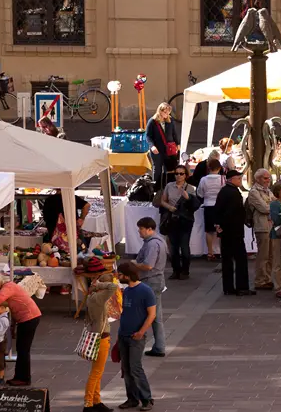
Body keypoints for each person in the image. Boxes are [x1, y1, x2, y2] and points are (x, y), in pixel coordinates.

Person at [0, 271, 41, 386]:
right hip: (27, 318)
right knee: (22, 348)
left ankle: (23, 378)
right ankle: (21, 377)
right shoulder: (8, 286)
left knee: (23, 349)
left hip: (30, 317)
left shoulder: (8, 287)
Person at [116, 262, 156, 411]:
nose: (118, 277)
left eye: (120, 275)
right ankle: (132, 398)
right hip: (123, 334)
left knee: (135, 368)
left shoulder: (145, 291)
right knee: (126, 369)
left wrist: (140, 332)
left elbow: (152, 314)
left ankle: (147, 398)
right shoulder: (125, 291)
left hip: (136, 337)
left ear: (127, 275)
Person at [131, 216, 168, 358]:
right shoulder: (156, 241)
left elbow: (148, 265)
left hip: (151, 281)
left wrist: (135, 265)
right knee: (155, 315)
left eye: (141, 229)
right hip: (155, 280)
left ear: (149, 229)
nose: (139, 232)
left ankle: (145, 343)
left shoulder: (153, 244)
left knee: (149, 315)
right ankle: (159, 345)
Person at [214, 169, 254, 296]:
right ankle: (242, 287)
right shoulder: (232, 193)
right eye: (238, 179)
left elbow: (218, 210)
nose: (240, 181)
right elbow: (232, 212)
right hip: (234, 232)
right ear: (231, 180)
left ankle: (229, 287)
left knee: (227, 260)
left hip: (227, 231)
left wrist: (219, 225)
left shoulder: (224, 191)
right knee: (240, 259)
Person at [82, 273, 117, 412]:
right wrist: (101, 285)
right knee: (96, 372)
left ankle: (96, 401)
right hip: (102, 337)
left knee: (97, 372)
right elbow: (113, 287)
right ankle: (88, 403)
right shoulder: (99, 297)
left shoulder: (92, 297)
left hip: (96, 334)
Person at [160, 164, 198, 280]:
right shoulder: (169, 186)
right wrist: (169, 207)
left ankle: (185, 271)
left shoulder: (191, 188)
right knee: (173, 247)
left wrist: (188, 198)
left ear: (186, 175)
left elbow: (194, 206)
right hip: (172, 219)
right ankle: (175, 270)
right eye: (176, 173)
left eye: (181, 174)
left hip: (185, 220)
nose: (178, 176)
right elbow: (163, 200)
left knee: (184, 246)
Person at [248, 168, 275, 289]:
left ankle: (267, 278)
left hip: (271, 226)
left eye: (268, 177)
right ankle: (260, 280)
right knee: (263, 255)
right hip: (262, 226)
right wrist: (274, 206)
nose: (268, 180)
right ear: (258, 179)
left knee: (271, 255)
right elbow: (265, 208)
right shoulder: (254, 192)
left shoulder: (267, 190)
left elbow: (277, 204)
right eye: (265, 178)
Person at [146, 102, 180, 190]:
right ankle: (156, 189)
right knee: (157, 169)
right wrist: (152, 146)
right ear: (160, 111)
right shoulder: (152, 121)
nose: (167, 114)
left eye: (168, 112)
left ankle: (167, 187)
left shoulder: (170, 120)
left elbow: (174, 134)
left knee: (168, 169)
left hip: (168, 149)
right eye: (165, 112)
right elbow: (148, 136)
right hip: (157, 149)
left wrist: (177, 143)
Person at [197, 158, 226, 261]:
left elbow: (200, 193)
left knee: (209, 231)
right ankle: (223, 253)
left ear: (208, 168)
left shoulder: (203, 179)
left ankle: (210, 253)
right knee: (221, 230)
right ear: (219, 168)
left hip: (208, 205)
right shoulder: (223, 179)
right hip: (220, 206)